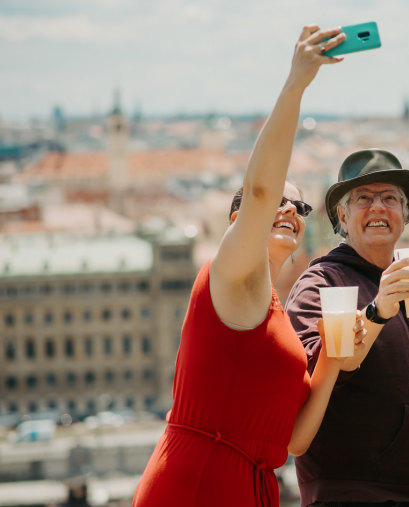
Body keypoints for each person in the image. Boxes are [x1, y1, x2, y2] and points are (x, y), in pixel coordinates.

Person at [133, 25, 366, 507]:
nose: (288, 211)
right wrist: (296, 83)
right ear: (237, 219)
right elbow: (260, 190)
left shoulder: (274, 309)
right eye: (278, 202)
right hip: (198, 481)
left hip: (249, 485)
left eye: (300, 208)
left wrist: (331, 361)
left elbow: (296, 440)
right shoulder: (233, 274)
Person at [284, 148, 409, 507]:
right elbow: (311, 375)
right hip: (356, 494)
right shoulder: (322, 282)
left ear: (405, 215)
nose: (378, 207)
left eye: (390, 199)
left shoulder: (408, 278)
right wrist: (377, 311)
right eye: (363, 198)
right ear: (341, 217)